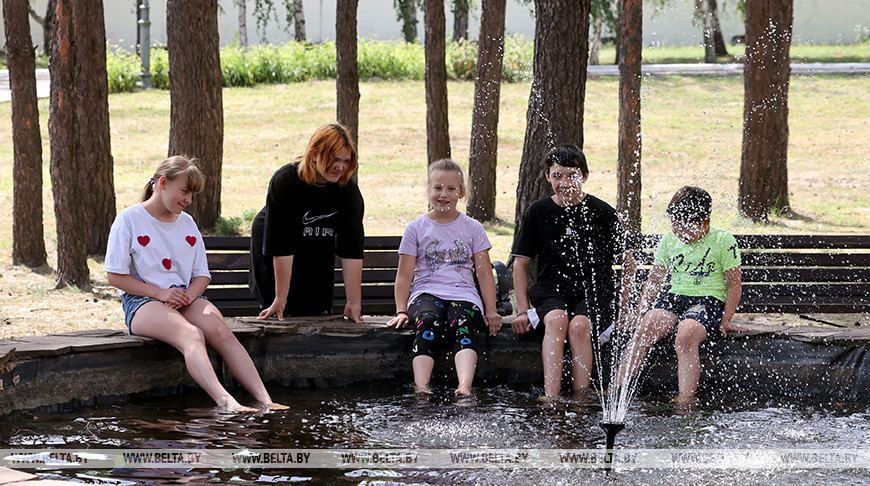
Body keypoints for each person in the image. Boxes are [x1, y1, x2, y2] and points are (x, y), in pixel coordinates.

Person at [105, 156, 287, 412]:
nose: (189, 199)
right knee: (192, 334)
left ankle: (265, 401)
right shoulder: (129, 220)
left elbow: (202, 275)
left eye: (192, 194)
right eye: (185, 191)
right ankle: (226, 402)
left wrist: (189, 296)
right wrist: (159, 292)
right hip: (143, 302)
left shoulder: (187, 223)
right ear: (163, 183)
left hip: (185, 298)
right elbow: (115, 276)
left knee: (222, 332)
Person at [511, 144, 634, 399]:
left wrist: (624, 309)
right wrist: (523, 311)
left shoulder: (602, 213)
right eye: (557, 176)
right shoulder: (538, 212)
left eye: (572, 176)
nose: (564, 183)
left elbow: (629, 263)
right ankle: (551, 397)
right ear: (547, 177)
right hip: (551, 290)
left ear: (585, 176)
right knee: (556, 320)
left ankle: (580, 397)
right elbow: (520, 264)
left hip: (594, 290)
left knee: (579, 326)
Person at [614, 186, 744, 402]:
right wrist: (640, 311)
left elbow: (733, 285)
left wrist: (726, 319)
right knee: (648, 324)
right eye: (675, 226)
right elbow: (655, 280)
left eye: (686, 228)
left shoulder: (723, 240)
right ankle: (617, 388)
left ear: (706, 223)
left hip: (708, 301)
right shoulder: (669, 239)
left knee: (686, 333)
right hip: (676, 298)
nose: (680, 233)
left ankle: (685, 399)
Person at [386, 159, 502, 395]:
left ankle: (464, 386)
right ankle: (422, 387)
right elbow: (404, 275)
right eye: (437, 187)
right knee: (428, 321)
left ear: (461, 192)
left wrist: (491, 310)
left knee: (463, 323)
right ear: (428, 190)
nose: (443, 194)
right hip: (426, 293)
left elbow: (484, 273)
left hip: (464, 294)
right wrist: (400, 310)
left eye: (451, 188)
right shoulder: (416, 228)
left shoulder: (473, 228)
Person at [250, 123, 365, 322]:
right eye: (334, 159)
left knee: (317, 310)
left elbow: (352, 249)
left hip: (318, 249)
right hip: (277, 257)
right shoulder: (285, 181)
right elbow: (281, 247)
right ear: (314, 154)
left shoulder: (347, 190)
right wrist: (280, 298)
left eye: (346, 161)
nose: (340, 167)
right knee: (282, 316)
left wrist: (353, 302)